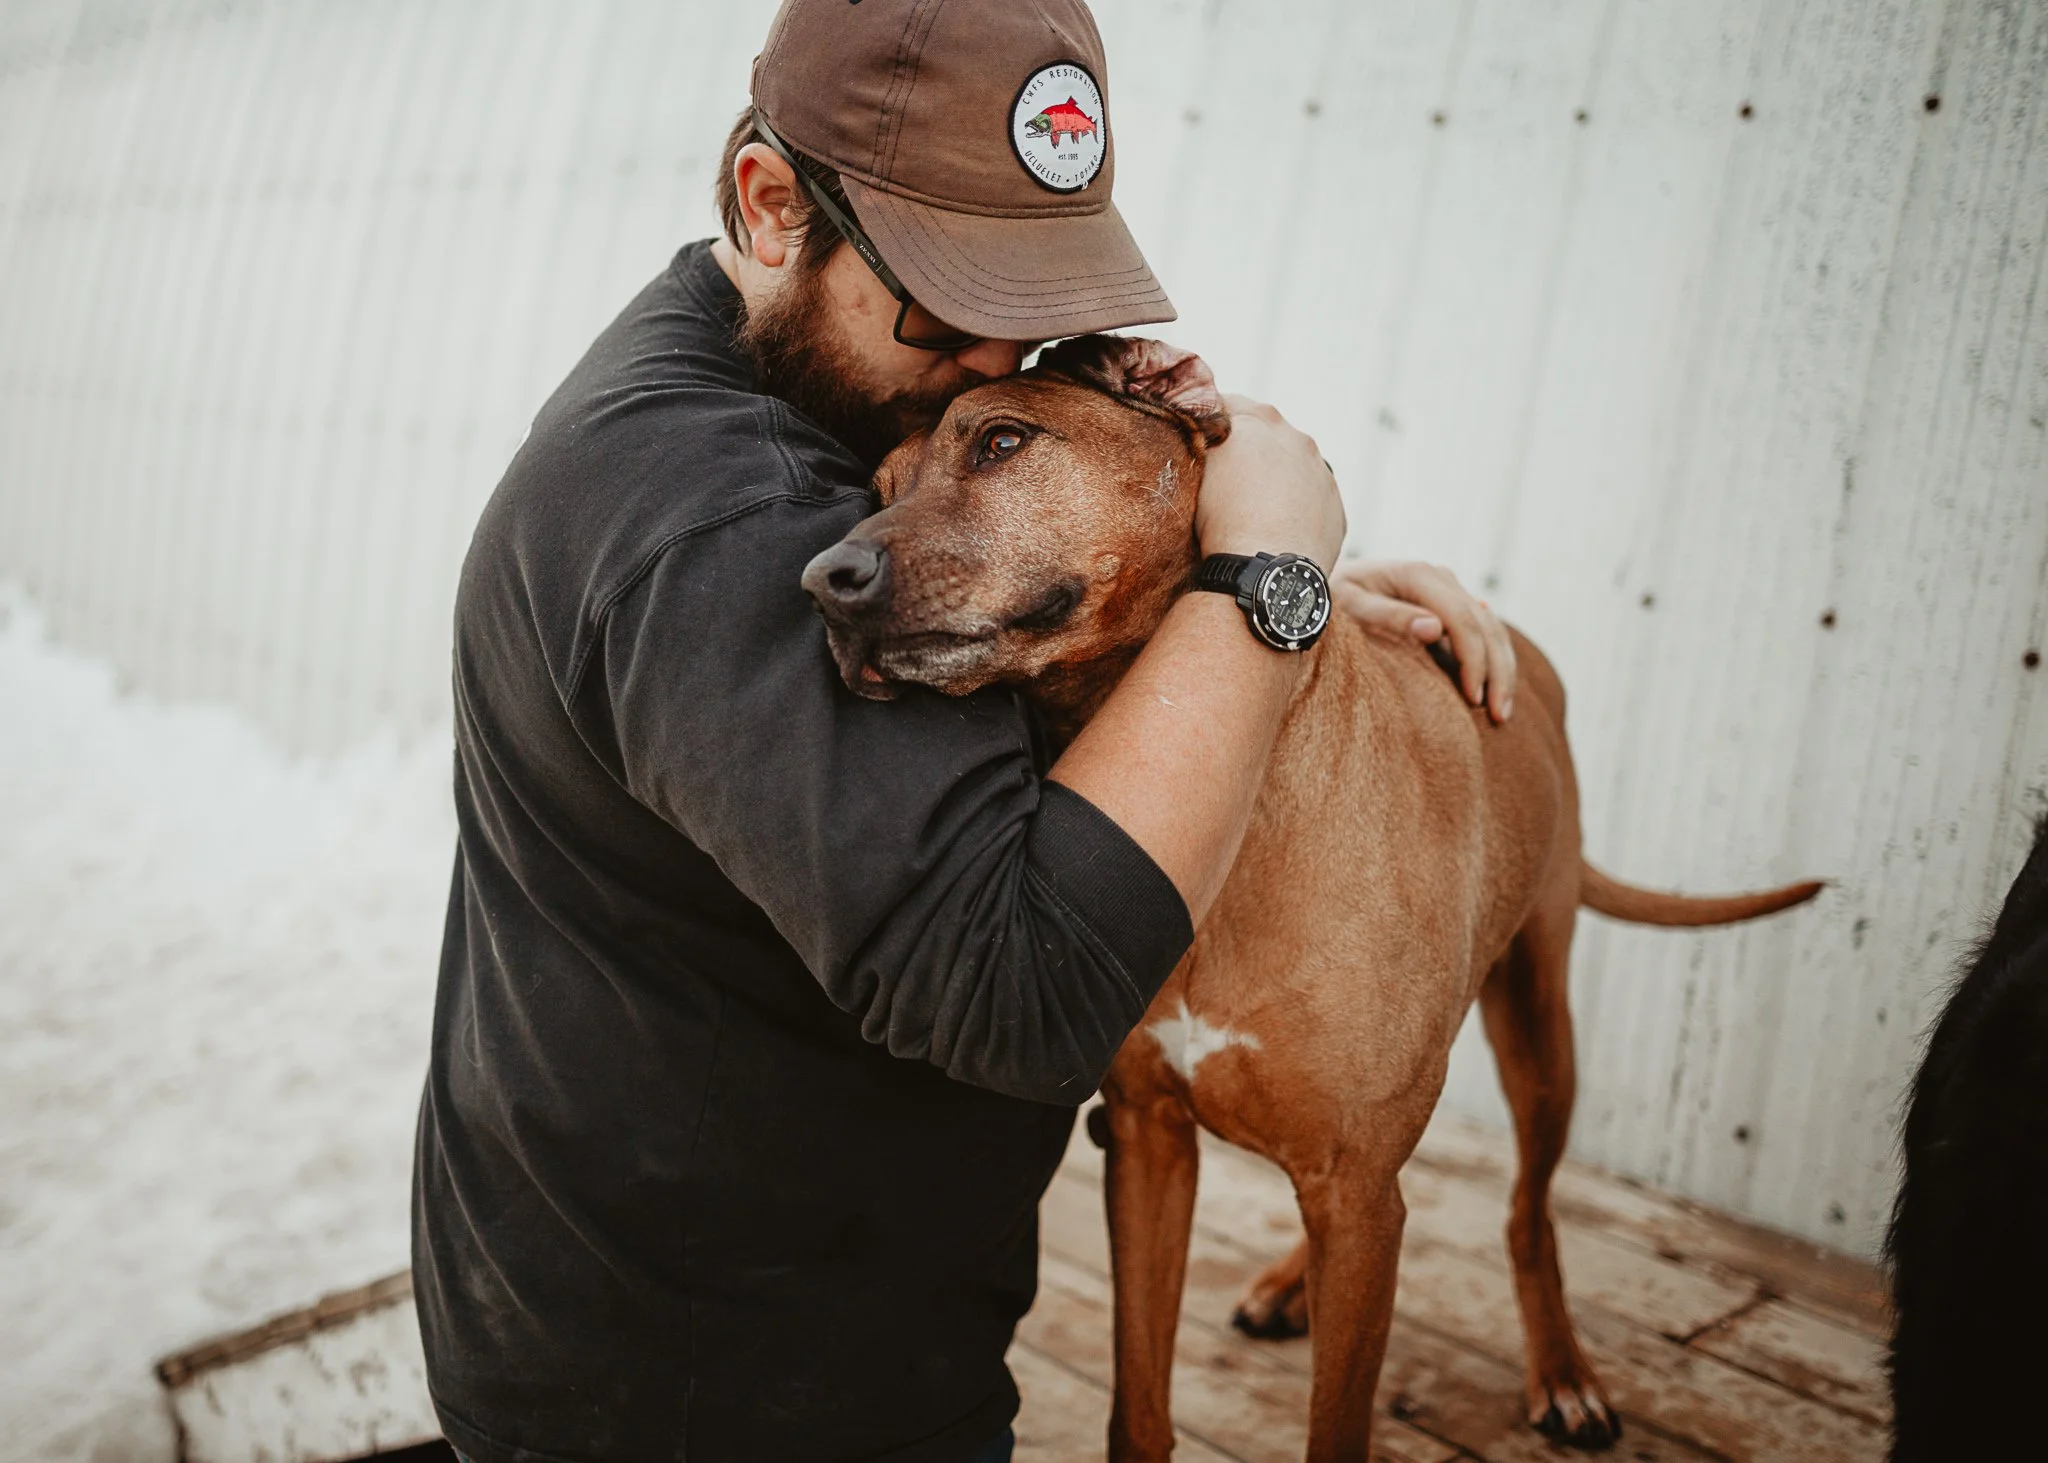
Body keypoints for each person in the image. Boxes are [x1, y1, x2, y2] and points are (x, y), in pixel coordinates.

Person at [411, 1, 1516, 1460]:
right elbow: (1028, 984)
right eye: (951, 291)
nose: (1003, 347)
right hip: (705, 1399)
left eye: (1039, 290)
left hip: (806, 1338)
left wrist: (1257, 572)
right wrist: (1265, 589)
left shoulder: (785, 373)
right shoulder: (714, 512)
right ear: (769, 204)